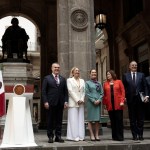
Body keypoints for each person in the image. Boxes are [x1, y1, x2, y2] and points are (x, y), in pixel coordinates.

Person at [42, 62, 68, 143]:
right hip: (50, 103)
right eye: (55, 67)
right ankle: (50, 136)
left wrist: (66, 101)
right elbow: (44, 91)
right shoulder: (47, 78)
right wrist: (45, 101)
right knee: (50, 120)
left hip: (60, 103)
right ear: (52, 68)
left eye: (58, 67)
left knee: (59, 120)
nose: (57, 69)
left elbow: (65, 92)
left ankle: (58, 136)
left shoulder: (63, 79)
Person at [122, 61, 149, 141]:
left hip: (140, 99)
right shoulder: (125, 75)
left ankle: (140, 135)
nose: (134, 66)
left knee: (140, 118)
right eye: (133, 65)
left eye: (135, 65)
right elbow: (124, 88)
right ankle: (134, 135)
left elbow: (145, 86)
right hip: (130, 100)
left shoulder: (142, 75)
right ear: (129, 67)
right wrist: (124, 97)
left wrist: (147, 96)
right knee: (132, 118)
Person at [103, 70, 125, 141]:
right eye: (107, 74)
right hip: (110, 105)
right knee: (113, 121)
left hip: (118, 104)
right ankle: (114, 136)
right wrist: (104, 103)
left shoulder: (119, 82)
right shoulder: (105, 84)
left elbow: (123, 92)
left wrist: (122, 101)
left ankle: (120, 136)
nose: (108, 76)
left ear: (112, 74)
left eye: (109, 74)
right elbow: (105, 95)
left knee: (119, 120)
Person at [66, 67, 85, 141]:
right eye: (76, 71)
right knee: (73, 120)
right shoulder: (69, 80)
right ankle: (74, 136)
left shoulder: (82, 80)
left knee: (80, 119)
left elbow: (83, 91)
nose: (77, 72)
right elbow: (70, 91)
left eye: (78, 70)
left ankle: (81, 136)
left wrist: (82, 99)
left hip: (81, 103)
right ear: (72, 72)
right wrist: (77, 100)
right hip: (73, 102)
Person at [85, 69, 103, 141]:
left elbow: (102, 93)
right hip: (91, 103)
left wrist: (99, 100)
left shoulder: (99, 83)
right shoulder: (87, 83)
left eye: (95, 72)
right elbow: (87, 93)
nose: (94, 73)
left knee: (97, 120)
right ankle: (91, 135)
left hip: (98, 103)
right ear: (90, 74)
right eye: (92, 72)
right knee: (90, 119)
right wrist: (93, 100)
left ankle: (96, 135)